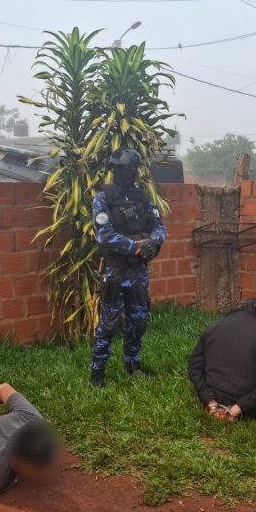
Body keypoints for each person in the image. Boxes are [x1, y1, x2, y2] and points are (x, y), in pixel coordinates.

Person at [90, 148, 166, 387]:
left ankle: (132, 364)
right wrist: (135, 246)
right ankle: (97, 374)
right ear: (116, 170)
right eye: (127, 169)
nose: (131, 173)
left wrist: (153, 242)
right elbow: (104, 235)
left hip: (138, 271)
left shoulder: (143, 197)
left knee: (139, 320)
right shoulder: (104, 198)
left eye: (134, 169)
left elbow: (159, 225)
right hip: (115, 270)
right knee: (108, 324)